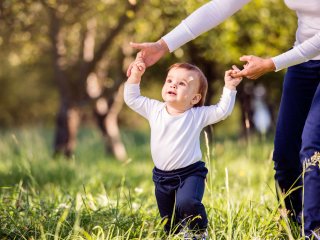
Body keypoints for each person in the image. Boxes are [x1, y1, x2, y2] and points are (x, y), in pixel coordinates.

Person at [127, 0, 320, 237]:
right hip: (303, 60)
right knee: (285, 152)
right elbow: (221, 5)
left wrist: (272, 63)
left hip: (300, 56)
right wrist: (162, 45)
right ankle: (291, 227)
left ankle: (314, 231)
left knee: (313, 148)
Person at [124, 55, 242, 239]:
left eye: (181, 84)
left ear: (194, 98)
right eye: (169, 80)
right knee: (169, 223)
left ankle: (198, 232)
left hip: (190, 174)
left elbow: (221, 111)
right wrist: (135, 77)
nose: (172, 85)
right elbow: (132, 99)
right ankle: (179, 234)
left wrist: (230, 87)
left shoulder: (196, 115)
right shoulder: (154, 109)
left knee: (188, 203)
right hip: (162, 178)